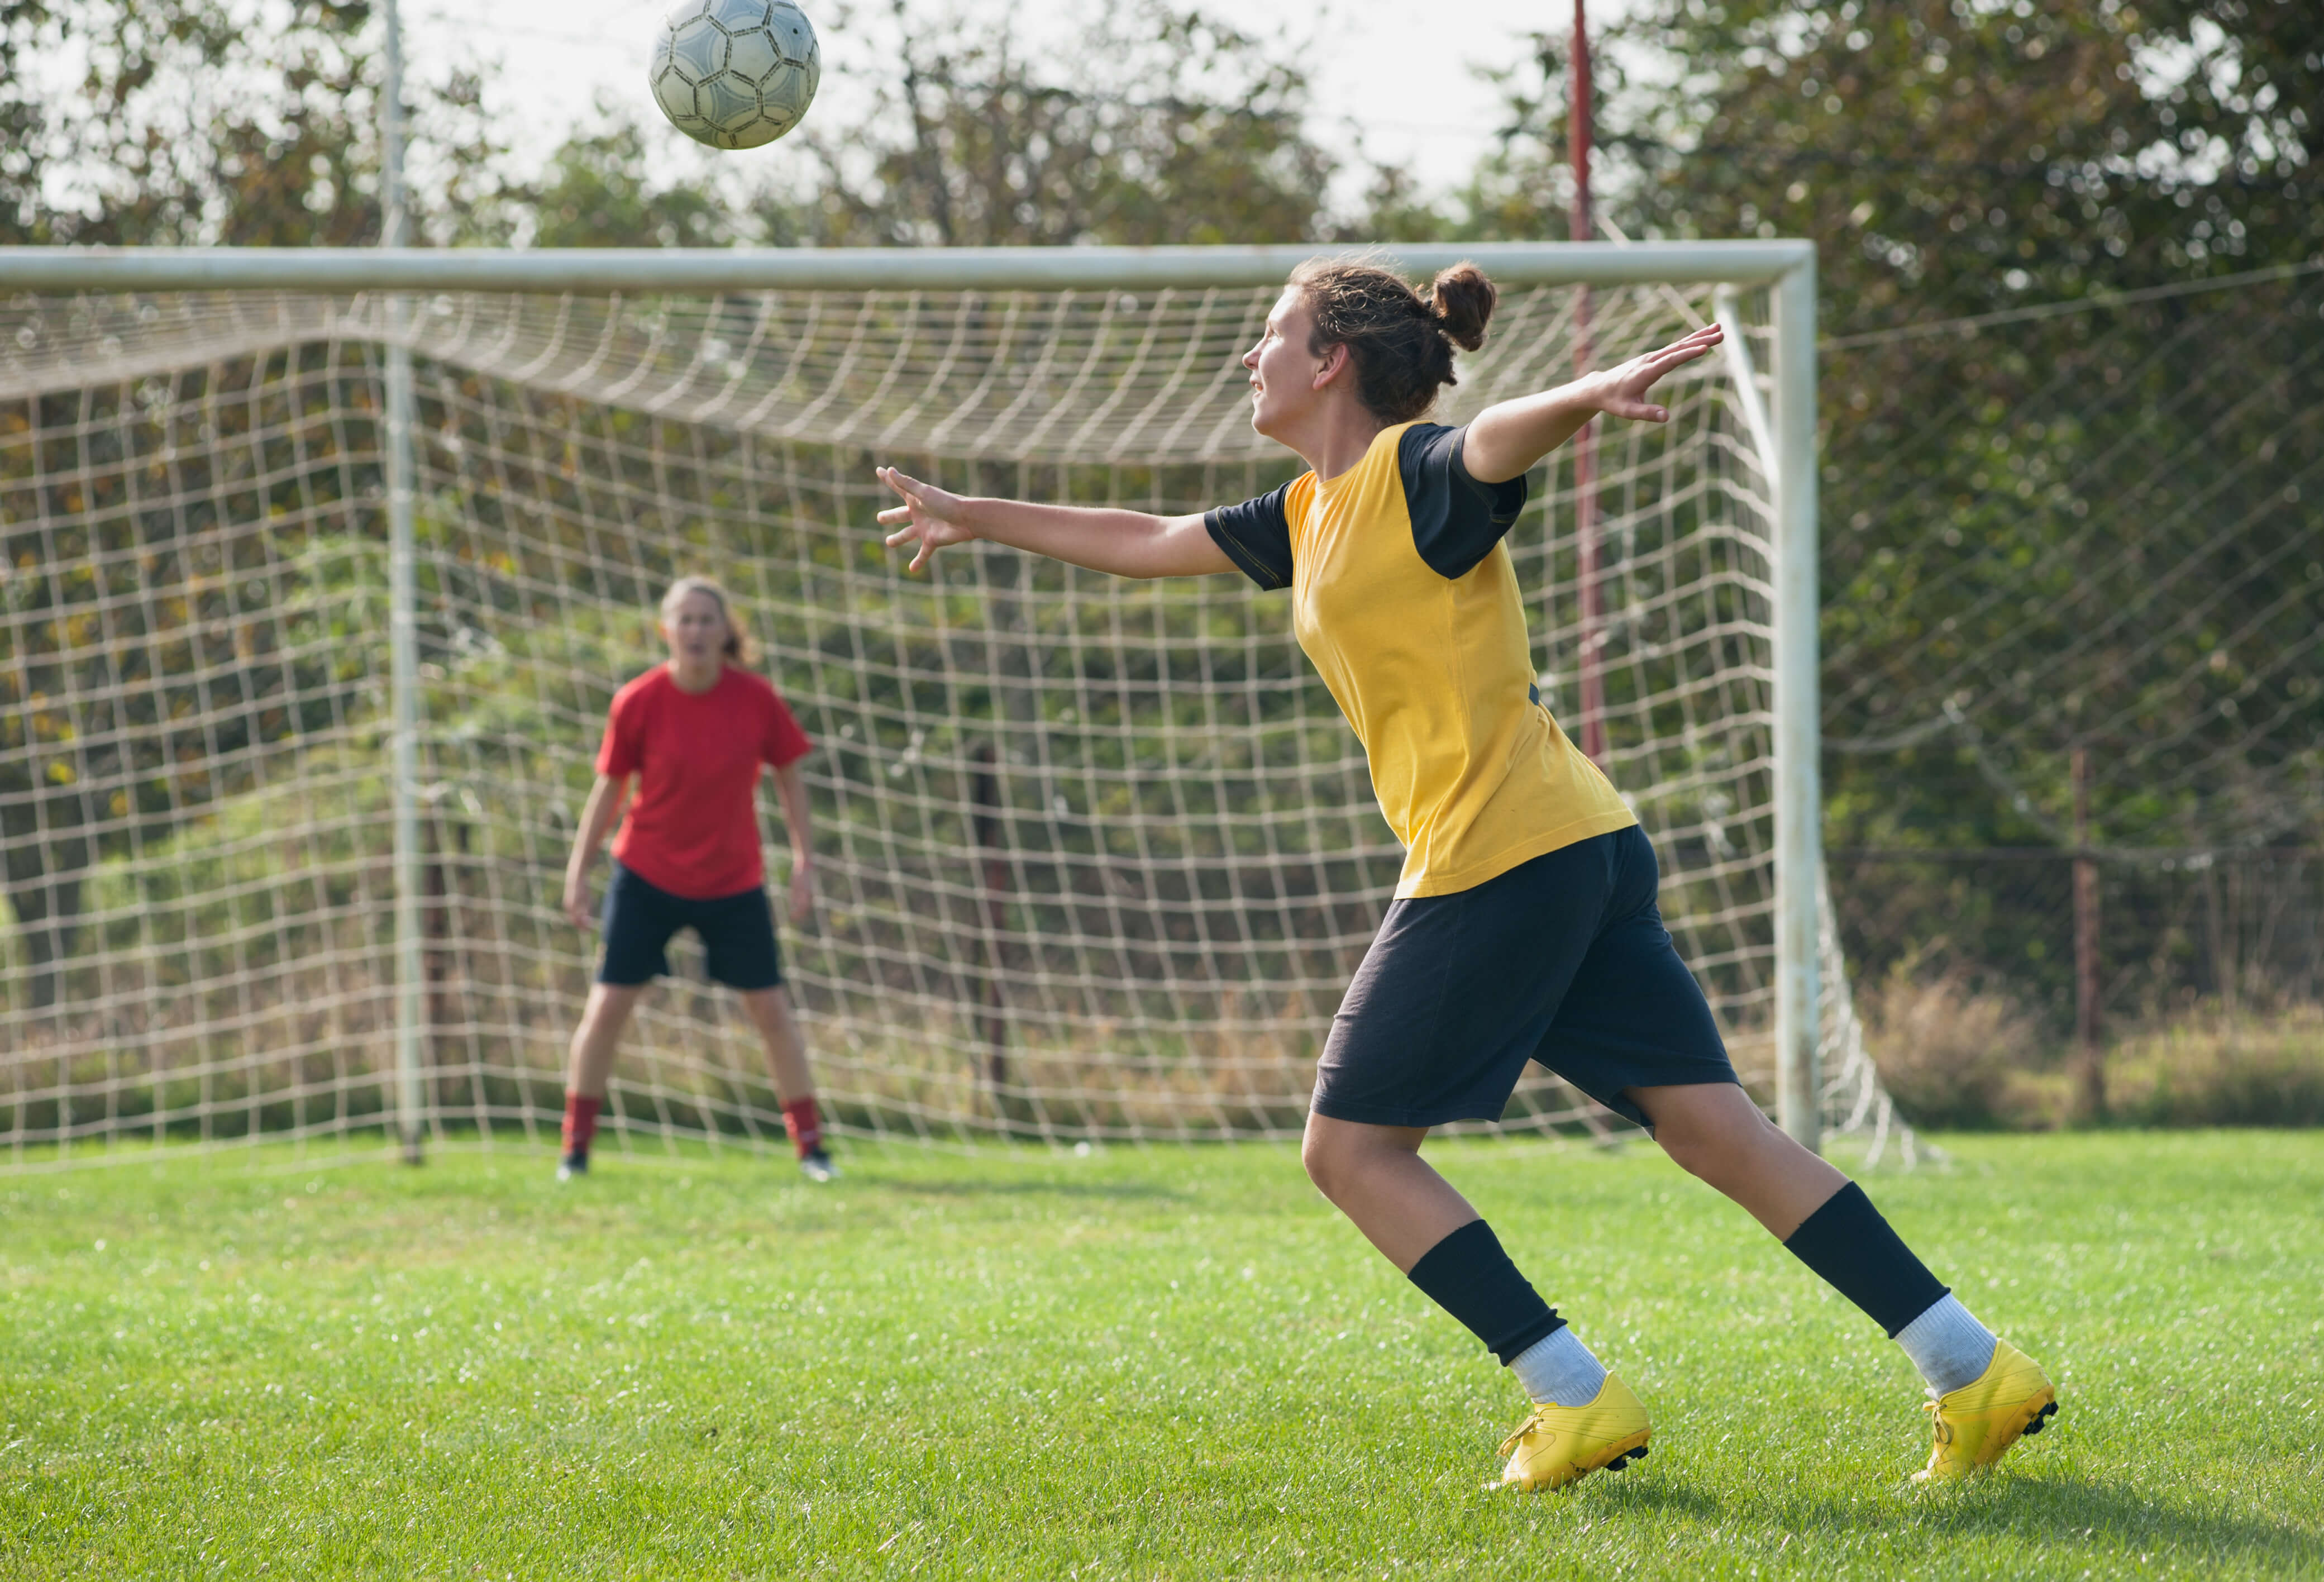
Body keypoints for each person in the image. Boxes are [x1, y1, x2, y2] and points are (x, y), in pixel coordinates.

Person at [873, 257, 2057, 1489]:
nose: (1249, 356)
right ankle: (1973, 1370)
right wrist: (975, 512)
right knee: (1714, 1129)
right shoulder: (1306, 510)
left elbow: (1488, 443)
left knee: (1349, 1153)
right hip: (1576, 840)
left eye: (1269, 334)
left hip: (1499, 856)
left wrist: (1586, 390)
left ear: (1329, 361)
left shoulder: (1410, 472)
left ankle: (1572, 1398)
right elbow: (1151, 537)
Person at [556, 575, 837, 1184]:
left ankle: (812, 1149)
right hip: (646, 874)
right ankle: (574, 1152)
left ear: (724, 631)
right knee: (607, 1006)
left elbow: (790, 777)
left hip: (733, 879)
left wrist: (805, 860)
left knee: (770, 1009)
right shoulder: (637, 701)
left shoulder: (756, 700)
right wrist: (579, 871)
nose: (696, 631)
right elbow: (609, 789)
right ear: (666, 631)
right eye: (684, 620)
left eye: (707, 620)